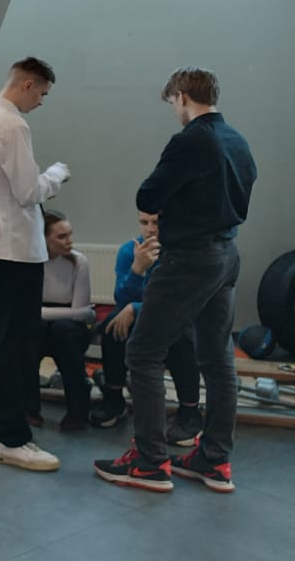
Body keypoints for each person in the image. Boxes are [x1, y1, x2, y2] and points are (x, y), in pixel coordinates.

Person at [95, 67, 256, 494]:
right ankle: (214, 460)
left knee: (144, 351)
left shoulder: (190, 140)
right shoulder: (237, 139)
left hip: (189, 257)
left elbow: (148, 196)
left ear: (182, 96)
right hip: (226, 254)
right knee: (218, 358)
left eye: (172, 102)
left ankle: (150, 462)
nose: (173, 110)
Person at [0, 57, 70, 471]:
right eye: (42, 93)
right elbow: (29, 192)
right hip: (18, 249)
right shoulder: (12, 125)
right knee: (16, 344)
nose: (41, 101)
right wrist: (57, 174)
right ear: (27, 84)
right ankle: (9, 436)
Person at [88, 211, 202, 443]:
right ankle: (114, 399)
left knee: (182, 337)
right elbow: (121, 297)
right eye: (144, 222)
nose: (150, 229)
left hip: (176, 317)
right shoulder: (129, 250)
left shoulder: (182, 252)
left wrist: (136, 308)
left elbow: (179, 302)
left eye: (156, 223)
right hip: (144, 315)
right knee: (112, 326)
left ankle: (189, 411)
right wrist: (138, 269)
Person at [27, 210, 95, 431]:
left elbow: (81, 315)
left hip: (70, 329)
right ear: (44, 239)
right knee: (31, 330)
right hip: (43, 324)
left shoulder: (79, 262)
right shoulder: (31, 263)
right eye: (61, 236)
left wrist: (44, 312)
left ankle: (77, 411)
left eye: (70, 234)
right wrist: (76, 313)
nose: (69, 241)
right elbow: (30, 313)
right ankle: (29, 409)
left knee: (64, 331)